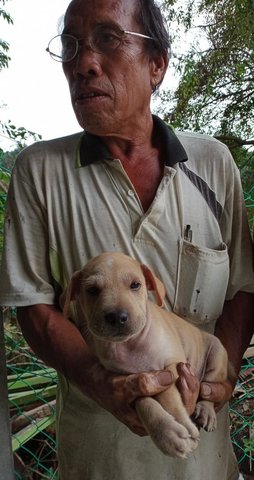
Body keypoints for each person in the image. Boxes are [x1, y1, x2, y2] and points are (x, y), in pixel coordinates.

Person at [0, 0, 253, 478]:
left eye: (108, 40)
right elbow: (33, 308)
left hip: (204, 456)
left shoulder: (213, 164)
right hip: (100, 455)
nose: (82, 63)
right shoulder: (40, 172)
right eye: (70, 46)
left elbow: (242, 288)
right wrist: (101, 381)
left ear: (157, 64)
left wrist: (225, 375)